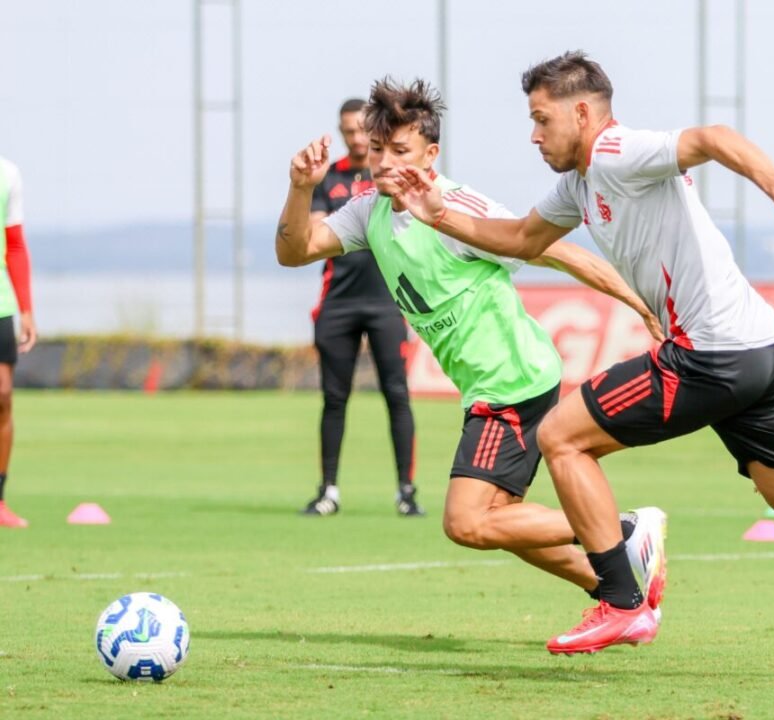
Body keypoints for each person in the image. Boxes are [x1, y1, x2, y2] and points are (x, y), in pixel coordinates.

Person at [389, 51, 774, 677]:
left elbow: (712, 138)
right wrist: (436, 213)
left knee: (560, 436)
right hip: (763, 352)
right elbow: (520, 240)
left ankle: (620, 599)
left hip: (712, 354)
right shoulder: (578, 183)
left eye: (542, 119)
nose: (533, 136)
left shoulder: (615, 151)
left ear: (582, 112)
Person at [275, 77, 668, 617]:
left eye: (401, 151)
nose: (386, 162)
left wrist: (640, 302)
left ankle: (624, 532)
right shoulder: (370, 213)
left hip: (512, 384)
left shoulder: (455, 210)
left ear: (431, 154)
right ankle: (623, 595)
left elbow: (559, 254)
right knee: (502, 520)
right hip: (496, 385)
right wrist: (300, 188)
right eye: (378, 150)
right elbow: (295, 251)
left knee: (468, 522)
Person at [303, 98, 421, 517]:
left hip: (386, 303)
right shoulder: (328, 179)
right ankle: (328, 491)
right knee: (334, 399)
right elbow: (315, 233)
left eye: (360, 131)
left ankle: (406, 492)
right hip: (337, 303)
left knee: (397, 395)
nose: (354, 137)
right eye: (347, 131)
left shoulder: (390, 177)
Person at [0, 156, 37, 528]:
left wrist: (26, 308)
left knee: (3, 395)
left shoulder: (7, 174)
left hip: (0, 304)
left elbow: (14, 245)